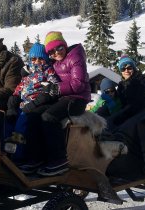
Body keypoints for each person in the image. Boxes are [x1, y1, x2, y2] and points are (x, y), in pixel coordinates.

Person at [19, 31, 91, 176]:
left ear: (64, 45)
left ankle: (59, 160)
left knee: (49, 116)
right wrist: (25, 70)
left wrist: (55, 88)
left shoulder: (75, 57)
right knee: (33, 114)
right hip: (61, 96)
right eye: (51, 51)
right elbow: (39, 64)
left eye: (59, 48)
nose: (55, 53)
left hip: (77, 98)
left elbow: (78, 84)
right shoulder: (55, 61)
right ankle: (37, 157)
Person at [3, 43, 59, 158]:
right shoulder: (27, 75)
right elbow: (18, 90)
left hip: (38, 103)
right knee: (8, 120)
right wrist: (12, 104)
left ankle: (20, 154)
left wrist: (36, 102)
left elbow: (53, 87)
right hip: (23, 104)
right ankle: (6, 149)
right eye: (34, 59)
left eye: (40, 58)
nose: (37, 61)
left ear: (46, 59)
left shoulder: (48, 71)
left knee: (23, 122)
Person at [106, 56, 145, 130]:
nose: (126, 71)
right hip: (127, 113)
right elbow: (118, 101)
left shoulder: (140, 81)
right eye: (123, 69)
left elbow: (137, 103)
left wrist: (121, 115)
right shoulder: (122, 85)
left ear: (133, 68)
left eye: (129, 68)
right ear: (120, 71)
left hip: (140, 114)